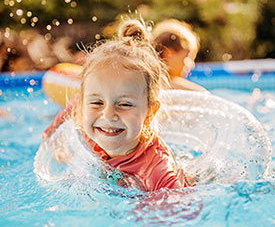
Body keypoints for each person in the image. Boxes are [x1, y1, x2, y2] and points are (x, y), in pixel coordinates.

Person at [44, 20, 188, 192]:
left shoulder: (160, 174)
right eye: (97, 102)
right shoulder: (90, 123)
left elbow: (177, 212)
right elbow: (57, 126)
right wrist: (55, 144)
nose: (108, 114)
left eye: (125, 104)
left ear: (150, 112)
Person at [147, 19, 206, 92]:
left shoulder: (146, 83)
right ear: (168, 55)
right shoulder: (163, 87)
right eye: (186, 57)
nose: (191, 65)